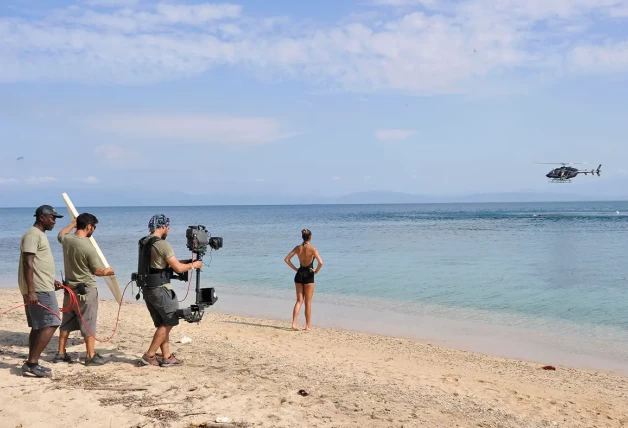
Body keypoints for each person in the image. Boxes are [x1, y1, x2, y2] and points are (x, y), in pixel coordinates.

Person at [137, 214, 202, 367]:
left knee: (163, 323)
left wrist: (185, 262)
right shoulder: (163, 244)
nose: (168, 230)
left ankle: (166, 357)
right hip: (161, 289)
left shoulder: (144, 242)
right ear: (163, 227)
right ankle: (149, 355)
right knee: (170, 321)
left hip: (148, 288)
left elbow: (158, 264)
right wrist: (194, 265)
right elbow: (178, 268)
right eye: (167, 227)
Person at [54, 213, 115, 366]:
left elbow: (60, 234)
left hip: (69, 289)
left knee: (67, 321)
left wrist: (71, 224)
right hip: (85, 290)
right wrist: (108, 271)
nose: (93, 230)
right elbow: (97, 271)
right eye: (93, 227)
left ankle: (61, 353)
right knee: (89, 321)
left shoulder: (67, 240)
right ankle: (90, 356)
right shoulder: (88, 246)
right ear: (89, 226)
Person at [18, 205, 64, 377]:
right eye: (52, 218)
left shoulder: (39, 235)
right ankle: (32, 363)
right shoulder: (32, 234)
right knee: (52, 322)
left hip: (42, 286)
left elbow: (37, 264)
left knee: (38, 326)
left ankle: (31, 363)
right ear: (42, 217)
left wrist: (51, 281)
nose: (54, 222)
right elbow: (27, 263)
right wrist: (32, 291)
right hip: (38, 289)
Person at [284, 228, 323, 331]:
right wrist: (316, 271)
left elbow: (286, 259)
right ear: (310, 237)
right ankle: (307, 326)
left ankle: (294, 323)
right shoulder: (313, 249)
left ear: (303, 237)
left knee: (299, 301)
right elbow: (321, 263)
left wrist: (296, 269)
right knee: (308, 302)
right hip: (309, 274)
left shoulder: (298, 248)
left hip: (299, 273)